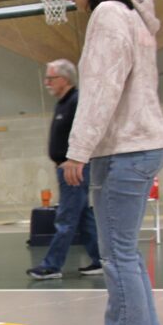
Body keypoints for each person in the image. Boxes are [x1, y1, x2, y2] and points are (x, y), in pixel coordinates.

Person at [60, 0, 163, 325]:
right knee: (127, 254)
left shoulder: (107, 15)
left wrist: (78, 150)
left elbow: (102, 89)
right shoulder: (131, 14)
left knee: (117, 256)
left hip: (125, 147)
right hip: (140, 143)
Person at [27, 59, 102, 280]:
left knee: (66, 218)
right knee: (83, 216)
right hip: (65, 169)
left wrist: (73, 160)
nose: (47, 82)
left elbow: (86, 133)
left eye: (51, 78)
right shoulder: (62, 103)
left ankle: (52, 265)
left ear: (65, 79)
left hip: (74, 170)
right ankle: (101, 259)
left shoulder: (76, 101)